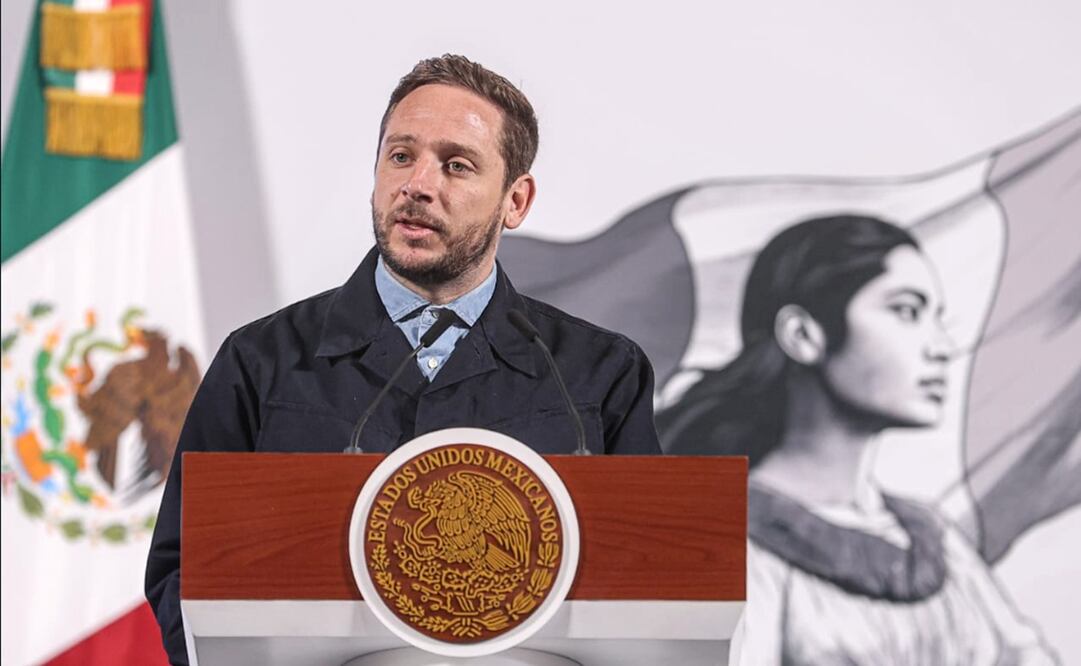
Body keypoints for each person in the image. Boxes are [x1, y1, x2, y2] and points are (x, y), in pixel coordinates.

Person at [145, 55, 661, 664]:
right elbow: (184, 571)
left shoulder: (598, 375)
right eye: (400, 155)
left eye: (456, 165)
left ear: (515, 201)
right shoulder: (262, 362)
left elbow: (651, 585)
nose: (417, 184)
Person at [658, 215, 1058, 665]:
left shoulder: (934, 541)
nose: (942, 346)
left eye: (937, 318)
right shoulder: (726, 541)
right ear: (803, 335)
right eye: (906, 311)